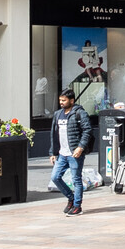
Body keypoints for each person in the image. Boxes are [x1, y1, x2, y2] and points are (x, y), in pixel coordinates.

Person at [49, 88, 90, 216]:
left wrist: (80, 147)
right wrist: (53, 152)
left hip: (74, 153)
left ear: (71, 101)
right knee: (55, 177)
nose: (61, 102)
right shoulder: (57, 114)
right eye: (60, 100)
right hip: (62, 154)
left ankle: (77, 206)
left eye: (64, 100)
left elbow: (87, 130)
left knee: (76, 180)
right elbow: (53, 135)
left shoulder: (79, 113)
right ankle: (71, 198)